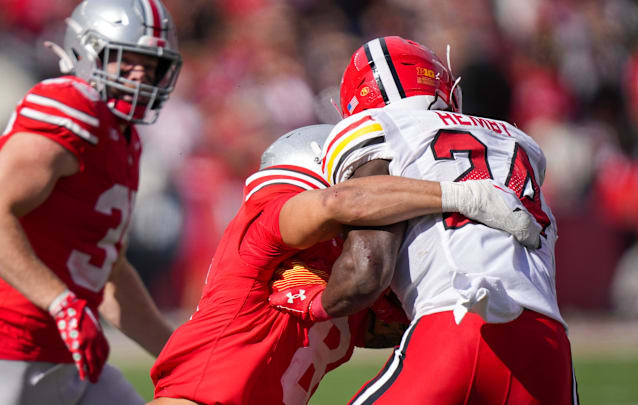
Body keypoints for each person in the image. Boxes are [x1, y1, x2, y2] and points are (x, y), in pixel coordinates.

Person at [149, 124, 539, 405]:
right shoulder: (263, 223)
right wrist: (464, 195)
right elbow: (341, 202)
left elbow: (404, 322)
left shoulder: (347, 275)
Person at [309, 36, 579, 404]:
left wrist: (310, 304)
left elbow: (365, 272)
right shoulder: (518, 143)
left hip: (457, 324)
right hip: (548, 349)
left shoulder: (384, 128)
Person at [0, 0, 182, 403]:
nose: (142, 74)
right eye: (128, 60)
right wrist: (61, 302)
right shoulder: (72, 105)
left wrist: (178, 355)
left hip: (67, 351)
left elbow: (107, 269)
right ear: (87, 51)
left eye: (151, 65)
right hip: (10, 344)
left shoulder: (124, 137)